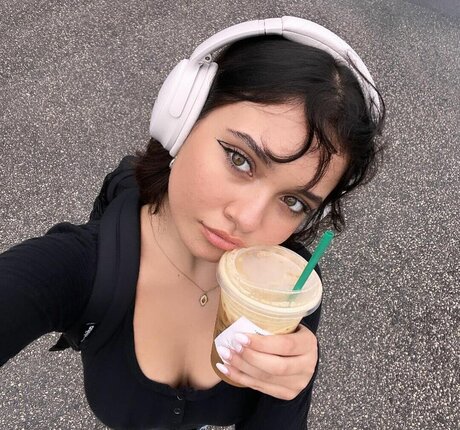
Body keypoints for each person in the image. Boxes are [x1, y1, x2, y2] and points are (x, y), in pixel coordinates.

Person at [0, 17, 385, 430]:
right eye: (240, 159)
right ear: (182, 123)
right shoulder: (77, 268)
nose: (247, 219)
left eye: (292, 201)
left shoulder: (285, 288)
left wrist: (292, 385)